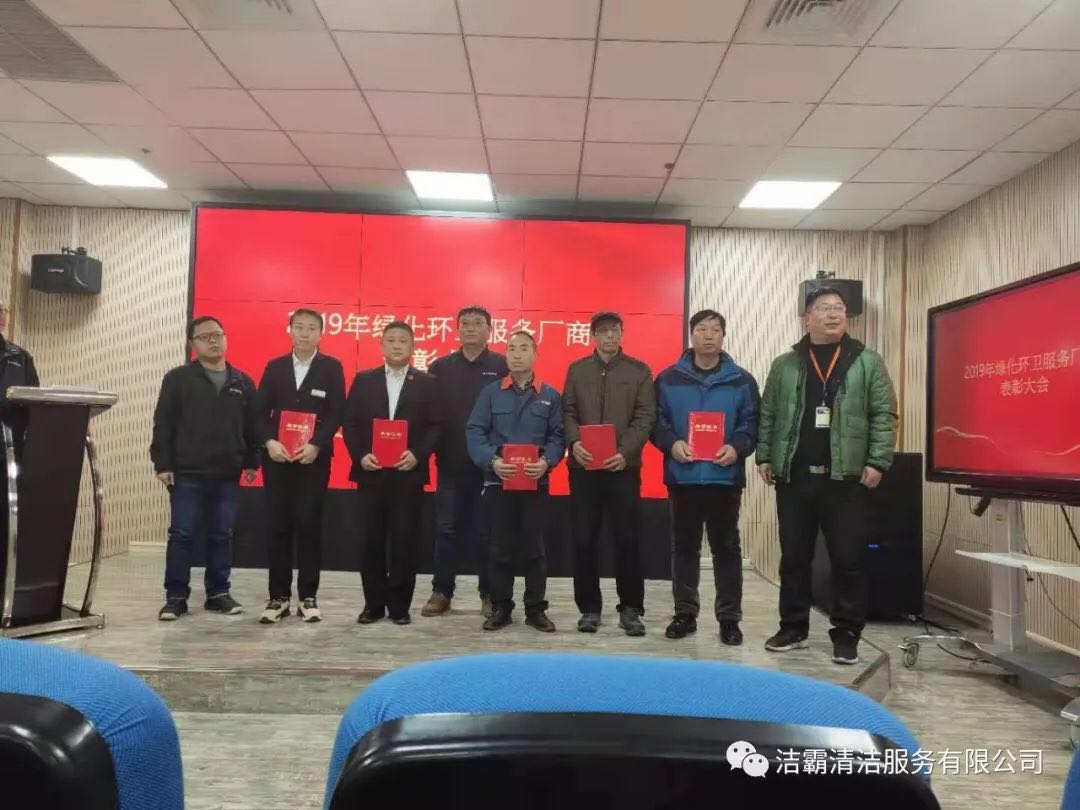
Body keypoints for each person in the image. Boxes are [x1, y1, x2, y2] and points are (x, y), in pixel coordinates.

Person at [757, 287, 898, 666]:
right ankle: (793, 628)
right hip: (795, 476)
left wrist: (878, 461)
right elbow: (769, 413)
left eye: (839, 308)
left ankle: (847, 633)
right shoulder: (786, 364)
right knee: (794, 558)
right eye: (824, 308)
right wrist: (765, 455)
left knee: (848, 559)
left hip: (845, 478)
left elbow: (884, 414)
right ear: (808, 318)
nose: (834, 314)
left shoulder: (867, 361)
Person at [651, 310, 760, 646]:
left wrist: (736, 447)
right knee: (684, 548)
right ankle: (685, 614)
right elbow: (656, 422)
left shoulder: (741, 380)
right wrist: (672, 444)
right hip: (683, 477)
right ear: (691, 335)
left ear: (723, 336)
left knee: (726, 549)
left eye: (715, 329)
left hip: (723, 477)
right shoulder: (668, 379)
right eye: (702, 329)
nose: (709, 335)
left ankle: (729, 618)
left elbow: (752, 423)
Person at [150, 316, 259, 621]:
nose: (213, 340)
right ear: (193, 344)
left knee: (222, 534)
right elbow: (164, 423)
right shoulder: (178, 379)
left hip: (227, 472)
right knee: (182, 534)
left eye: (218, 334)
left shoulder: (242, 381)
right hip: (187, 471)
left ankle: (218, 594)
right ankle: (175, 597)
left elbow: (252, 427)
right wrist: (162, 463)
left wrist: (252, 461)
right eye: (205, 336)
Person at [562, 311, 656, 637]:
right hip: (584, 468)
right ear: (593, 336)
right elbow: (568, 412)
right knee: (584, 539)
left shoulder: (639, 371)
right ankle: (589, 609)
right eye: (603, 331)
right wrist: (574, 443)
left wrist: (624, 452)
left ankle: (631, 609)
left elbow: (645, 417)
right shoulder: (577, 370)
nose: (610, 337)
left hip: (622, 469)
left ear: (622, 333)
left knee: (627, 540)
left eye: (615, 331)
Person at [343, 321, 441, 626]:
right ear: (382, 345)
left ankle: (399, 605)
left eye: (403, 341)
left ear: (413, 347)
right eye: (391, 340)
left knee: (404, 542)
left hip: (407, 474)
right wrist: (361, 455)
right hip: (371, 473)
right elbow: (350, 423)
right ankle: (373, 604)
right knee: (371, 541)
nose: (397, 345)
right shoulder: (364, 380)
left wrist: (418, 454)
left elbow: (436, 426)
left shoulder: (428, 383)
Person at [466, 331, 564, 633]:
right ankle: (501, 607)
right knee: (500, 549)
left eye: (524, 348)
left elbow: (558, 436)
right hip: (499, 483)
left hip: (535, 483)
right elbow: (474, 431)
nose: (517, 354)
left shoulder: (549, 395)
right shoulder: (491, 393)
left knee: (535, 550)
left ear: (535, 355)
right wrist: (492, 461)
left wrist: (546, 462)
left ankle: (536, 609)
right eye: (511, 348)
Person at [255, 309, 346, 625]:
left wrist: (317, 444)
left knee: (309, 526)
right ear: (290, 330)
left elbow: (336, 412)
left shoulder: (331, 367)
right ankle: (278, 597)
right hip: (278, 459)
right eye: (299, 327)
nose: (304, 333)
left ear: (321, 333)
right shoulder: (275, 367)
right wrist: (269, 442)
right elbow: (259, 412)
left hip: (313, 460)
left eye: (311, 328)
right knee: (278, 527)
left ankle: (308, 596)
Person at [421, 306, 508, 619]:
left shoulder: (502, 365)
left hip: (490, 467)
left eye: (478, 323)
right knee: (446, 530)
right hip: (450, 462)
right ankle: (442, 591)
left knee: (488, 532)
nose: (471, 328)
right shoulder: (440, 367)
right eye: (465, 324)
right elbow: (430, 414)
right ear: (457, 330)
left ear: (489, 330)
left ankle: (489, 593)